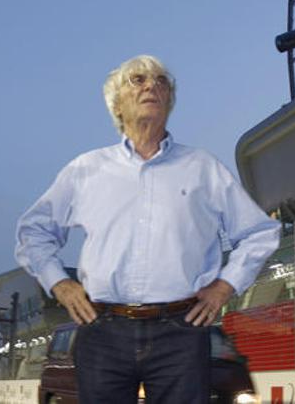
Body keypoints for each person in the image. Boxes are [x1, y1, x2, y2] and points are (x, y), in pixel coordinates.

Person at [15, 54, 281, 404]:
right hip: (102, 329)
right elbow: (33, 231)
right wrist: (60, 284)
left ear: (169, 100)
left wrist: (223, 286)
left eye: (161, 81)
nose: (152, 85)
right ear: (117, 104)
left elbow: (260, 232)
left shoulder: (202, 168)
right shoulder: (86, 170)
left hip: (182, 331)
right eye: (138, 79)